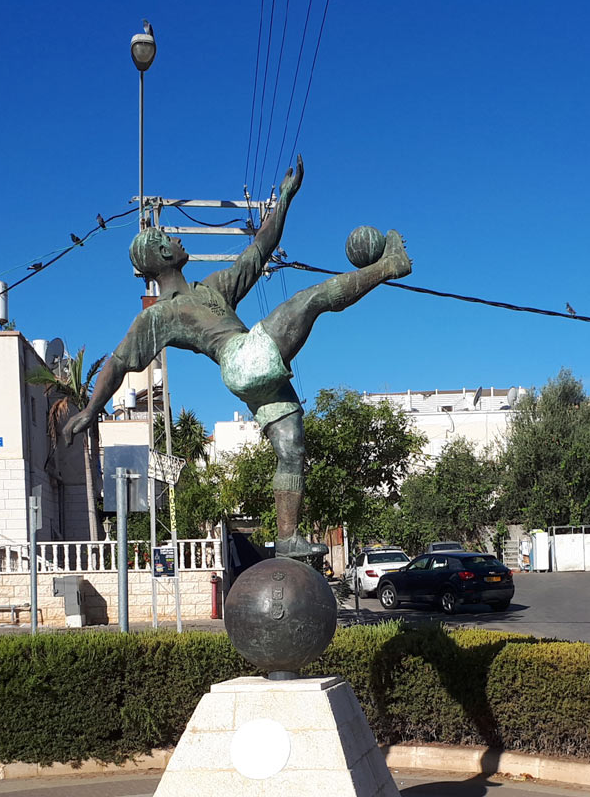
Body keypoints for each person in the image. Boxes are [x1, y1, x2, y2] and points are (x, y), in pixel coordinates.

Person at [67, 156, 411, 561]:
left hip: (251, 370)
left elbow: (260, 248)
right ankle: (390, 266)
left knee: (292, 450)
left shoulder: (213, 289)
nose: (180, 241)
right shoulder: (157, 315)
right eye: (171, 239)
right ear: (162, 252)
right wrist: (92, 410)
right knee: (309, 299)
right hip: (243, 357)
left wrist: (284, 197)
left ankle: (288, 538)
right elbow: (119, 363)